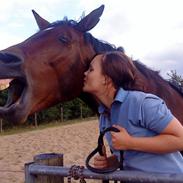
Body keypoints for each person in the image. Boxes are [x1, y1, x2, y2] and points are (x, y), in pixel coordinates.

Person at [83, 51, 183, 173]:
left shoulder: (143, 103)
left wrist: (130, 142)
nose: (85, 73)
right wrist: (112, 161)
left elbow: (180, 139)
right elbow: (132, 154)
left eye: (91, 70)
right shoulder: (104, 114)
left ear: (106, 79)